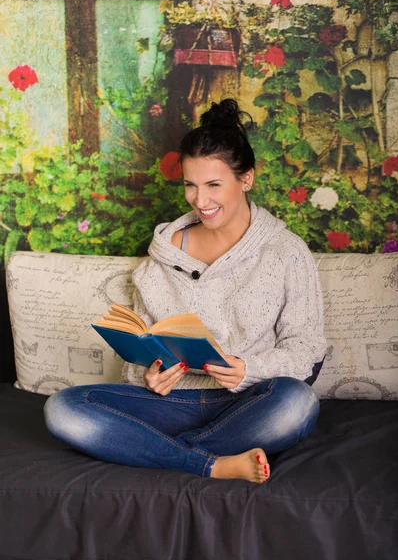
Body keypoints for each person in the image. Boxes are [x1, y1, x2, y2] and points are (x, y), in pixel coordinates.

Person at [44, 99, 327, 484]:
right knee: (63, 408)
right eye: (190, 186)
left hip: (249, 400)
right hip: (171, 402)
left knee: (297, 403)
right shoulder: (161, 254)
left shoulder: (286, 252)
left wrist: (248, 370)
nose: (201, 200)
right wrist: (149, 374)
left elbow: (306, 349)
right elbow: (145, 340)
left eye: (214, 185)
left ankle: (155, 449)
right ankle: (214, 462)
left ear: (247, 179)